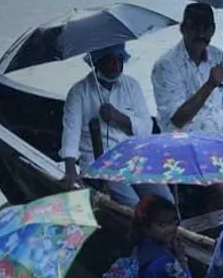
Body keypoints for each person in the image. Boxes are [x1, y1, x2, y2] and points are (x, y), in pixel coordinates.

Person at [151, 2, 223, 212]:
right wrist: (210, 84)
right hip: (185, 142)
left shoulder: (219, 58)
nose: (201, 33)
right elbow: (178, 119)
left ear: (213, 30)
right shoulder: (165, 65)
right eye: (195, 27)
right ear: (183, 28)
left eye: (207, 28)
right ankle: (207, 229)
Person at [60, 43, 174, 207]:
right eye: (110, 60)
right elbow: (71, 134)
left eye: (119, 59)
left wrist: (117, 117)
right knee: (132, 204)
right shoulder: (78, 92)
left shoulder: (132, 86)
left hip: (134, 159)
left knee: (165, 201)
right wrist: (70, 171)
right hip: (99, 166)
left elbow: (146, 128)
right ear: (97, 62)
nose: (116, 64)